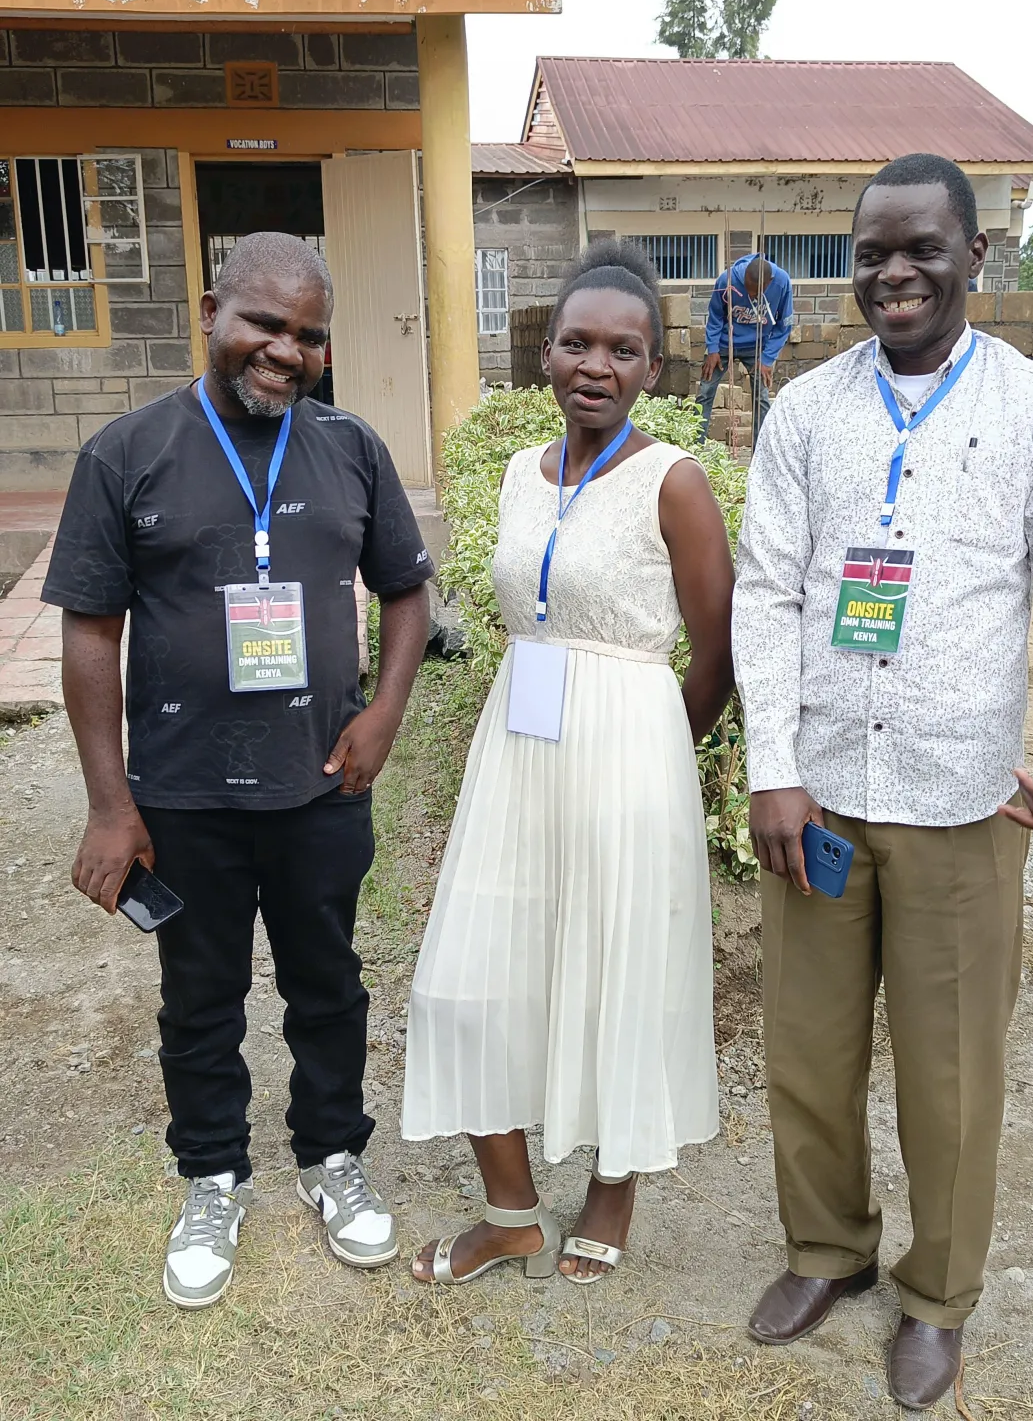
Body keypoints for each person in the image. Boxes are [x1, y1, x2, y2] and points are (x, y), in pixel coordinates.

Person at [732, 154, 1033, 1408]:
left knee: (952, 1068)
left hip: (968, 802)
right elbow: (767, 592)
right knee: (805, 1047)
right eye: (871, 253)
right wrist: (773, 769)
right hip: (825, 797)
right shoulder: (806, 413)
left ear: (975, 256)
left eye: (920, 249)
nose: (892, 274)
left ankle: (937, 1293)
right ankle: (827, 1249)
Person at [42, 233, 431, 1309]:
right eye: (265, 324)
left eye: (309, 335)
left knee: (329, 985)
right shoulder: (127, 453)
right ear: (212, 309)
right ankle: (212, 1173)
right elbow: (90, 634)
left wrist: (386, 712)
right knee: (200, 999)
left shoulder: (350, 448)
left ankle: (331, 1157)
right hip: (183, 794)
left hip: (320, 783)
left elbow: (406, 590)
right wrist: (111, 804)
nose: (286, 351)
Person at [403, 239, 734, 1286]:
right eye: (578, 343)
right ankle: (508, 1213)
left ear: (651, 368)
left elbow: (717, 655)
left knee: (620, 969)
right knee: (468, 975)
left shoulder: (672, 483)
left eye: (624, 348)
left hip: (633, 744)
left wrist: (650, 745)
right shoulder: (513, 473)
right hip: (520, 737)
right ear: (544, 354)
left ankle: (613, 1184)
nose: (598, 364)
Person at [697, 254, 793, 444]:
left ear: (769, 282)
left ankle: (761, 453)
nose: (750, 296)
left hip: (758, 346)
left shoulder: (782, 283)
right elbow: (715, 315)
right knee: (705, 392)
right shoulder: (727, 280)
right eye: (747, 290)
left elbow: (784, 326)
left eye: (755, 293)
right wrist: (712, 349)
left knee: (762, 398)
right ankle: (695, 446)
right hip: (725, 343)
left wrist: (767, 359)